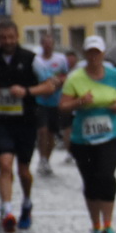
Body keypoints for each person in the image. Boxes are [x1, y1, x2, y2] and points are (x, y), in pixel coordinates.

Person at [0, 19, 55, 233]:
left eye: (11, 37)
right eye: (3, 38)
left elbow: (49, 85)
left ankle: (26, 203)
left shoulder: (31, 59)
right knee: (5, 165)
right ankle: (7, 210)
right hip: (1, 121)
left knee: (24, 171)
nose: (7, 41)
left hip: (25, 122)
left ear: (17, 37)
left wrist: (27, 92)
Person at [58, 35, 116, 233]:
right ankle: (96, 226)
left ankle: (108, 224)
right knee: (90, 181)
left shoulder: (114, 75)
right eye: (90, 52)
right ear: (85, 54)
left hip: (112, 135)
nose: (93, 57)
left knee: (105, 176)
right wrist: (80, 102)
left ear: (102, 54)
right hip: (83, 138)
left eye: (97, 52)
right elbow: (62, 106)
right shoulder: (75, 78)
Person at [33, 31, 69, 177]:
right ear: (42, 45)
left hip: (55, 101)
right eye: (45, 43)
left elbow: (65, 75)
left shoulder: (60, 59)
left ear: (54, 45)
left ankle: (47, 159)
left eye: (50, 43)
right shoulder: (36, 61)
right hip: (40, 101)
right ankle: (42, 158)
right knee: (42, 131)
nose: (48, 46)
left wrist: (59, 82)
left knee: (51, 133)